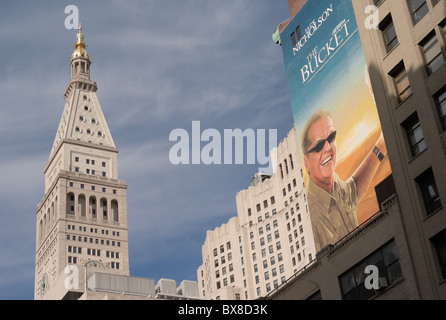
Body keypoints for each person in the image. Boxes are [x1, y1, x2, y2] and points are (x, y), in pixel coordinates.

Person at [302, 110, 387, 252]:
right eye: (318, 146)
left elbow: (353, 189)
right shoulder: (311, 219)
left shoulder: (334, 185)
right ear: (306, 163)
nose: (328, 148)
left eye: (331, 137)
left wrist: (381, 146)